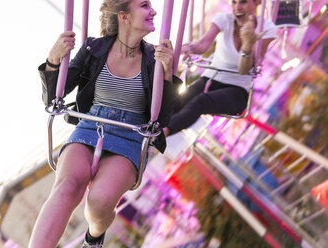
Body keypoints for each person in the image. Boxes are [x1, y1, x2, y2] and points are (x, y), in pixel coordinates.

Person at [29, 0, 181, 247]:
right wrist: (54, 59)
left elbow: (160, 120)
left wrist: (166, 73)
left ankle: (94, 237)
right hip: (91, 126)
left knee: (99, 201)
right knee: (68, 186)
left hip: (130, 135)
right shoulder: (93, 48)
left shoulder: (156, 57)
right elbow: (54, 96)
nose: (153, 11)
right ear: (124, 17)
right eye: (144, 5)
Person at [163, 0, 277, 136]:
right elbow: (203, 44)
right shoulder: (225, 19)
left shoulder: (266, 29)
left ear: (257, 3)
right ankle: (147, 127)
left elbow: (244, 69)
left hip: (237, 91)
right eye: (234, 3)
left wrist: (247, 43)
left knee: (201, 101)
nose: (237, 8)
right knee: (179, 101)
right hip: (210, 79)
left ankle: (161, 134)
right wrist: (188, 48)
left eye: (244, 2)